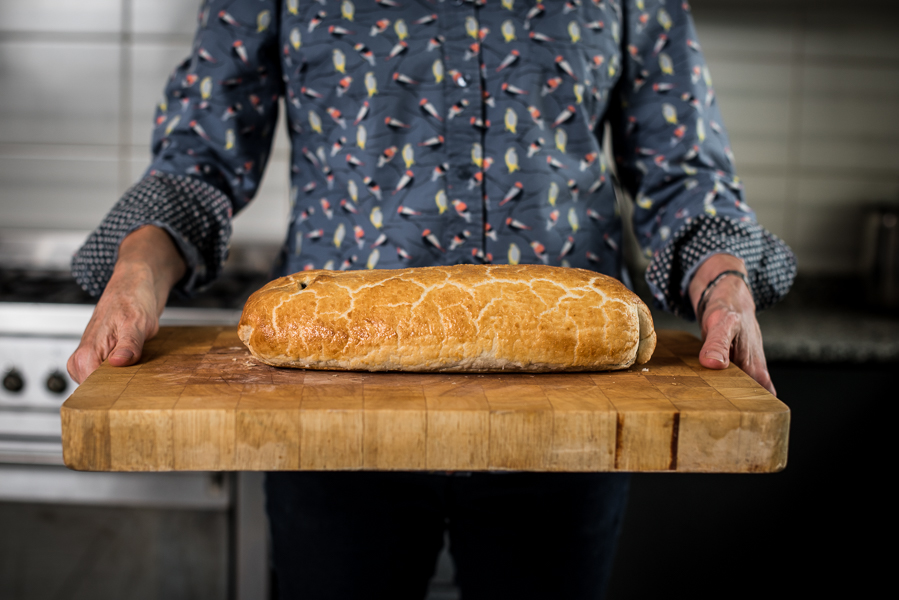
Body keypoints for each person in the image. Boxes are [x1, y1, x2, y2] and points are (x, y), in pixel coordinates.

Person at [67, 1, 795, 598]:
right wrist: (136, 269)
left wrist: (724, 281)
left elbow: (682, 171)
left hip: (567, 416)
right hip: (329, 417)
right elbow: (200, 158)